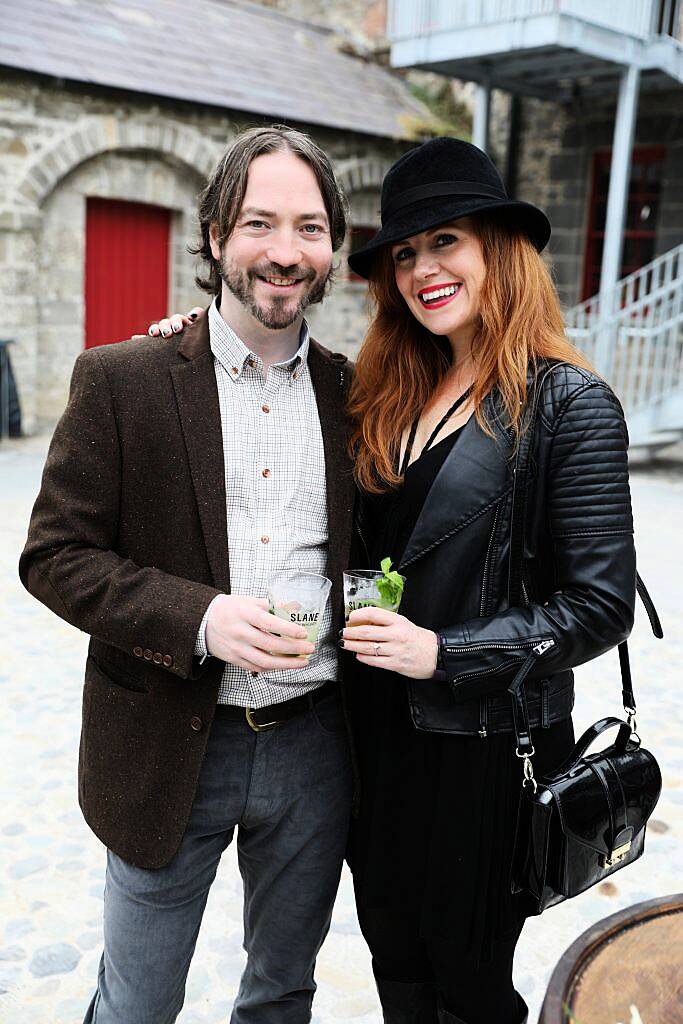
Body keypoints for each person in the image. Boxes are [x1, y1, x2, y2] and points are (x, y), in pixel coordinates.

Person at [148, 138, 637, 1023]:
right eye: (403, 253)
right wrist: (184, 337)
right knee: (396, 966)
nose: (422, 269)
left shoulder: (569, 404)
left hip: (485, 751)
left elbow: (598, 607)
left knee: (468, 981)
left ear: (499, 248)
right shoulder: (384, 388)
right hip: (373, 741)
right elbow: (248, 367)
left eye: (444, 242)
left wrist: (442, 652)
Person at [19, 125, 357, 1024]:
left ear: (333, 246)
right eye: (258, 223)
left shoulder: (359, 397)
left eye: (310, 227)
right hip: (167, 741)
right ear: (213, 236)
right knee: (137, 1005)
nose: (285, 253)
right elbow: (53, 556)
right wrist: (199, 617)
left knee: (283, 993)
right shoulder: (121, 379)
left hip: (316, 747)